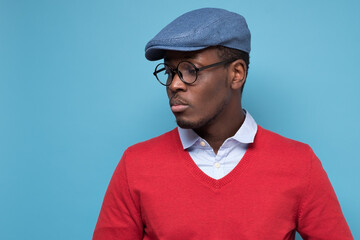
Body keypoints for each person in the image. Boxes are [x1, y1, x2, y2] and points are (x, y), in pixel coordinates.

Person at [93, 8, 353, 240]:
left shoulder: (298, 163)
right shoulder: (135, 165)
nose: (174, 84)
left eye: (190, 70)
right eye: (170, 72)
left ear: (236, 74)